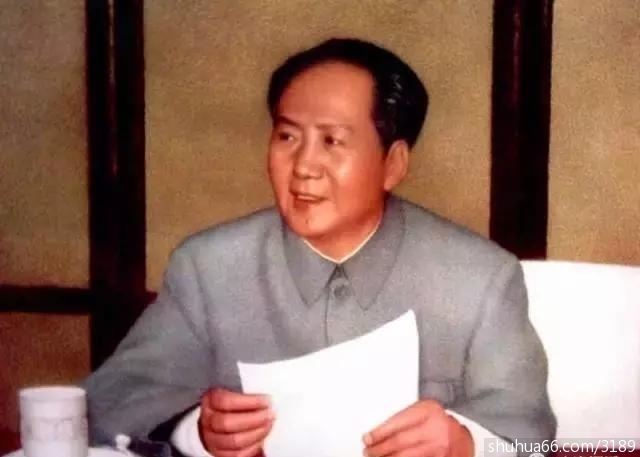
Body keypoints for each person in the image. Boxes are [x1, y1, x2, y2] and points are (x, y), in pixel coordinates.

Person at [84, 38, 556, 457]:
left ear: (393, 163)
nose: (304, 165)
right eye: (287, 136)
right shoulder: (208, 267)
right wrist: (196, 434)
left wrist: (467, 445)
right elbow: (108, 405)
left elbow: (535, 440)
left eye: (332, 141)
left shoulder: (479, 278)